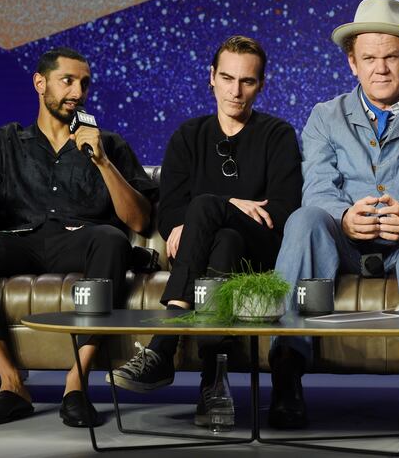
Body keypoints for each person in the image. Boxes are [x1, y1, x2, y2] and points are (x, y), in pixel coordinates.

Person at [270, 0, 399, 430]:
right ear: (352, 63)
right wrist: (344, 216)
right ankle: (286, 378)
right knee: (304, 219)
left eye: (391, 57)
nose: (380, 69)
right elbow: (317, 189)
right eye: (368, 58)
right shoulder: (324, 117)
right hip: (344, 243)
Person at [0, 47, 157, 428]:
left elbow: (140, 221)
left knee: (112, 240)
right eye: (67, 81)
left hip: (79, 242)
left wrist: (101, 160)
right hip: (20, 240)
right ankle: (12, 384)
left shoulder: (108, 144)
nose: (77, 92)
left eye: (84, 84)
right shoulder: (8, 141)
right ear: (40, 83)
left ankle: (76, 385)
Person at [107, 35, 302, 427]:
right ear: (211, 77)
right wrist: (230, 207)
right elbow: (169, 213)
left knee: (207, 207)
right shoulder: (188, 136)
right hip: (215, 251)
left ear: (261, 85)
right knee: (224, 240)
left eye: (247, 81)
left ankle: (163, 347)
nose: (235, 91)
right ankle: (213, 385)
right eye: (227, 78)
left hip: (262, 249)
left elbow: (282, 211)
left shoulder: (277, 134)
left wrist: (216, 208)